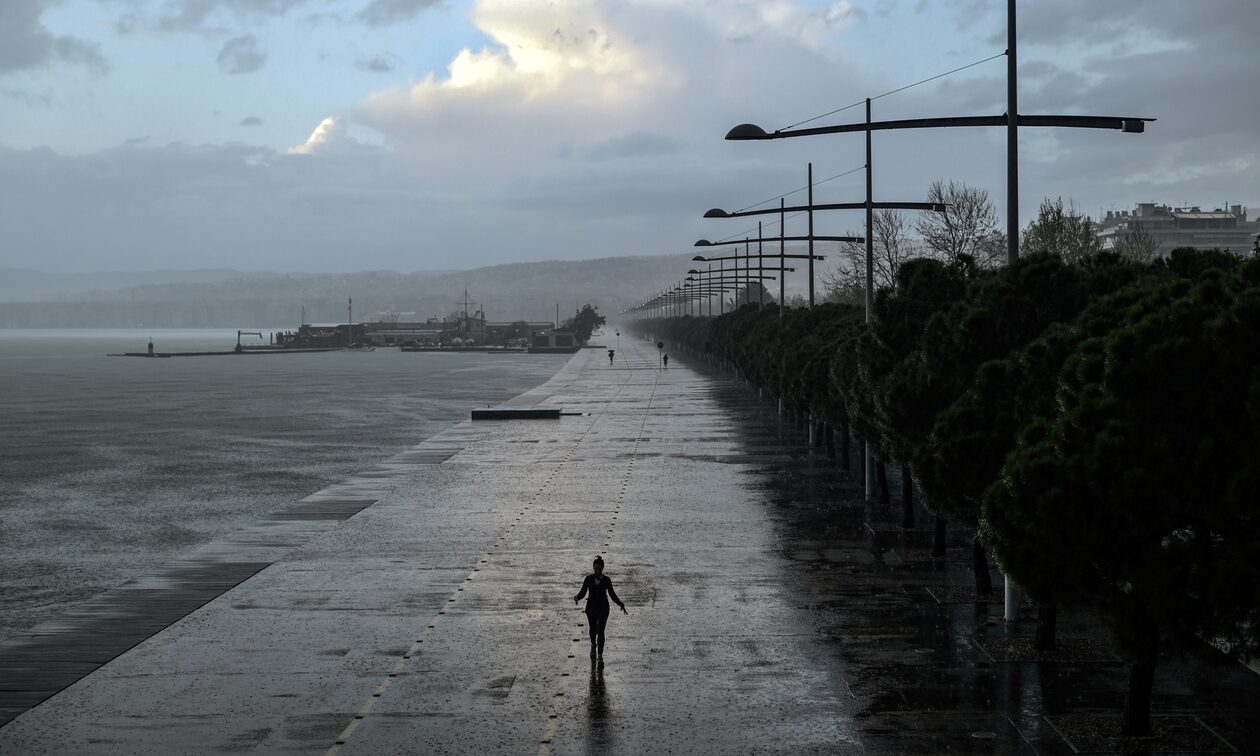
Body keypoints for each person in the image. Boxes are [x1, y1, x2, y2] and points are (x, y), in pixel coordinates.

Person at [573, 556, 626, 659]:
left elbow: (612, 594)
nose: (598, 571)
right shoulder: (588, 579)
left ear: (602, 568)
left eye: (600, 569)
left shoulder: (606, 580)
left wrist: (620, 603)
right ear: (593, 567)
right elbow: (583, 592)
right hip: (591, 608)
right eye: (596, 568)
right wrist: (577, 597)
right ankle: (593, 645)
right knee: (593, 629)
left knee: (601, 631)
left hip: (603, 608)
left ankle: (600, 656)